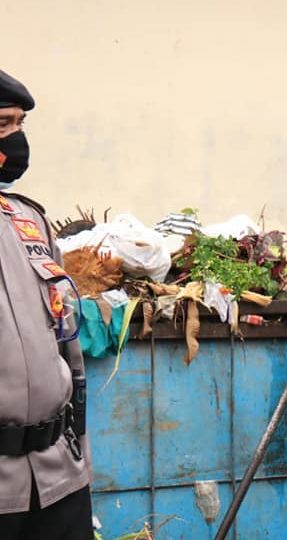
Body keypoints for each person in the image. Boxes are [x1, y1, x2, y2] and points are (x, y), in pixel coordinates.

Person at [0, 69, 93, 539]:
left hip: (59, 477)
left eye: (20, 125)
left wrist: (80, 454)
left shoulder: (28, 219)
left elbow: (67, 347)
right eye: (3, 126)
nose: (16, 140)